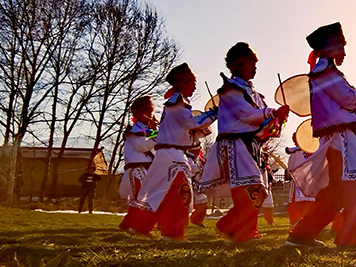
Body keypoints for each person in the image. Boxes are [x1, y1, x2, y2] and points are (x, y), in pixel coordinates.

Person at [286, 22, 356, 249]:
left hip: (339, 136)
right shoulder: (325, 71)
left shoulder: (323, 71)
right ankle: (350, 238)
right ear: (330, 48)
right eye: (341, 47)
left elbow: (346, 107)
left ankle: (302, 236)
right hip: (342, 138)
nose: (344, 52)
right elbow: (349, 100)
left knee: (335, 192)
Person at [197, 43, 289, 242]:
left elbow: (263, 118)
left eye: (255, 62)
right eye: (251, 62)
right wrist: (272, 112)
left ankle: (228, 226)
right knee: (251, 191)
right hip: (236, 145)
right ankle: (245, 234)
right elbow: (246, 114)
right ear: (237, 65)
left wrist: (278, 118)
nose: (255, 66)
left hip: (251, 146)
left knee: (258, 193)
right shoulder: (230, 90)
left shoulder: (254, 93)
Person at [120, 63, 217, 241]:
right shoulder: (177, 104)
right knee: (180, 192)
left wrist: (202, 125)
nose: (195, 86)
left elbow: (187, 131)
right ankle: (172, 233)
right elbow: (191, 124)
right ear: (182, 83)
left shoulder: (177, 104)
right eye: (192, 81)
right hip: (172, 155)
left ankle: (140, 226)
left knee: (158, 192)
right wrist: (213, 114)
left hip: (169, 155)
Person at [118, 96, 158, 207]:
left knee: (148, 201)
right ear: (139, 112)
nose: (151, 113)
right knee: (141, 202)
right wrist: (158, 136)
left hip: (149, 171)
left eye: (152, 110)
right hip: (137, 171)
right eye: (148, 110)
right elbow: (143, 146)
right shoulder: (133, 130)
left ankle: (132, 223)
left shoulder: (147, 130)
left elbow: (152, 137)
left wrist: (156, 130)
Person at [285, 138, 315, 225]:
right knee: (310, 204)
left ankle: (296, 224)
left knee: (297, 205)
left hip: (299, 182)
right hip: (312, 182)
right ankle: (308, 223)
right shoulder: (317, 150)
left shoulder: (295, 153)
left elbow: (291, 168)